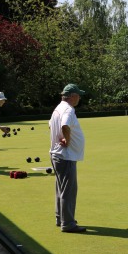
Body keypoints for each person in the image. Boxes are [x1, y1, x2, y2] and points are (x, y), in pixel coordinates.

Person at [49, 84, 86, 233]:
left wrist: (63, 137)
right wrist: (67, 139)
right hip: (66, 156)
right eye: (78, 95)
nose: (80, 98)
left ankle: (61, 218)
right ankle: (68, 223)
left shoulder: (58, 108)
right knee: (68, 191)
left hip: (57, 154)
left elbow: (50, 125)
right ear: (72, 96)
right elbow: (65, 125)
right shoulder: (68, 109)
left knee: (61, 188)